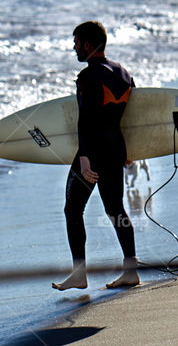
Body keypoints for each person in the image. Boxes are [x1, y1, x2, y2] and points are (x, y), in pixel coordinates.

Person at [53, 21, 140, 291]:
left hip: (93, 153)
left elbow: (86, 120)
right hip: (116, 149)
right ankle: (131, 270)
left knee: (72, 209)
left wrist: (85, 158)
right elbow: (135, 117)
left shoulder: (88, 77)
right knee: (116, 210)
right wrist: (131, 153)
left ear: (88, 44)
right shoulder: (124, 73)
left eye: (76, 42)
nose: (74, 47)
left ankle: (79, 273)